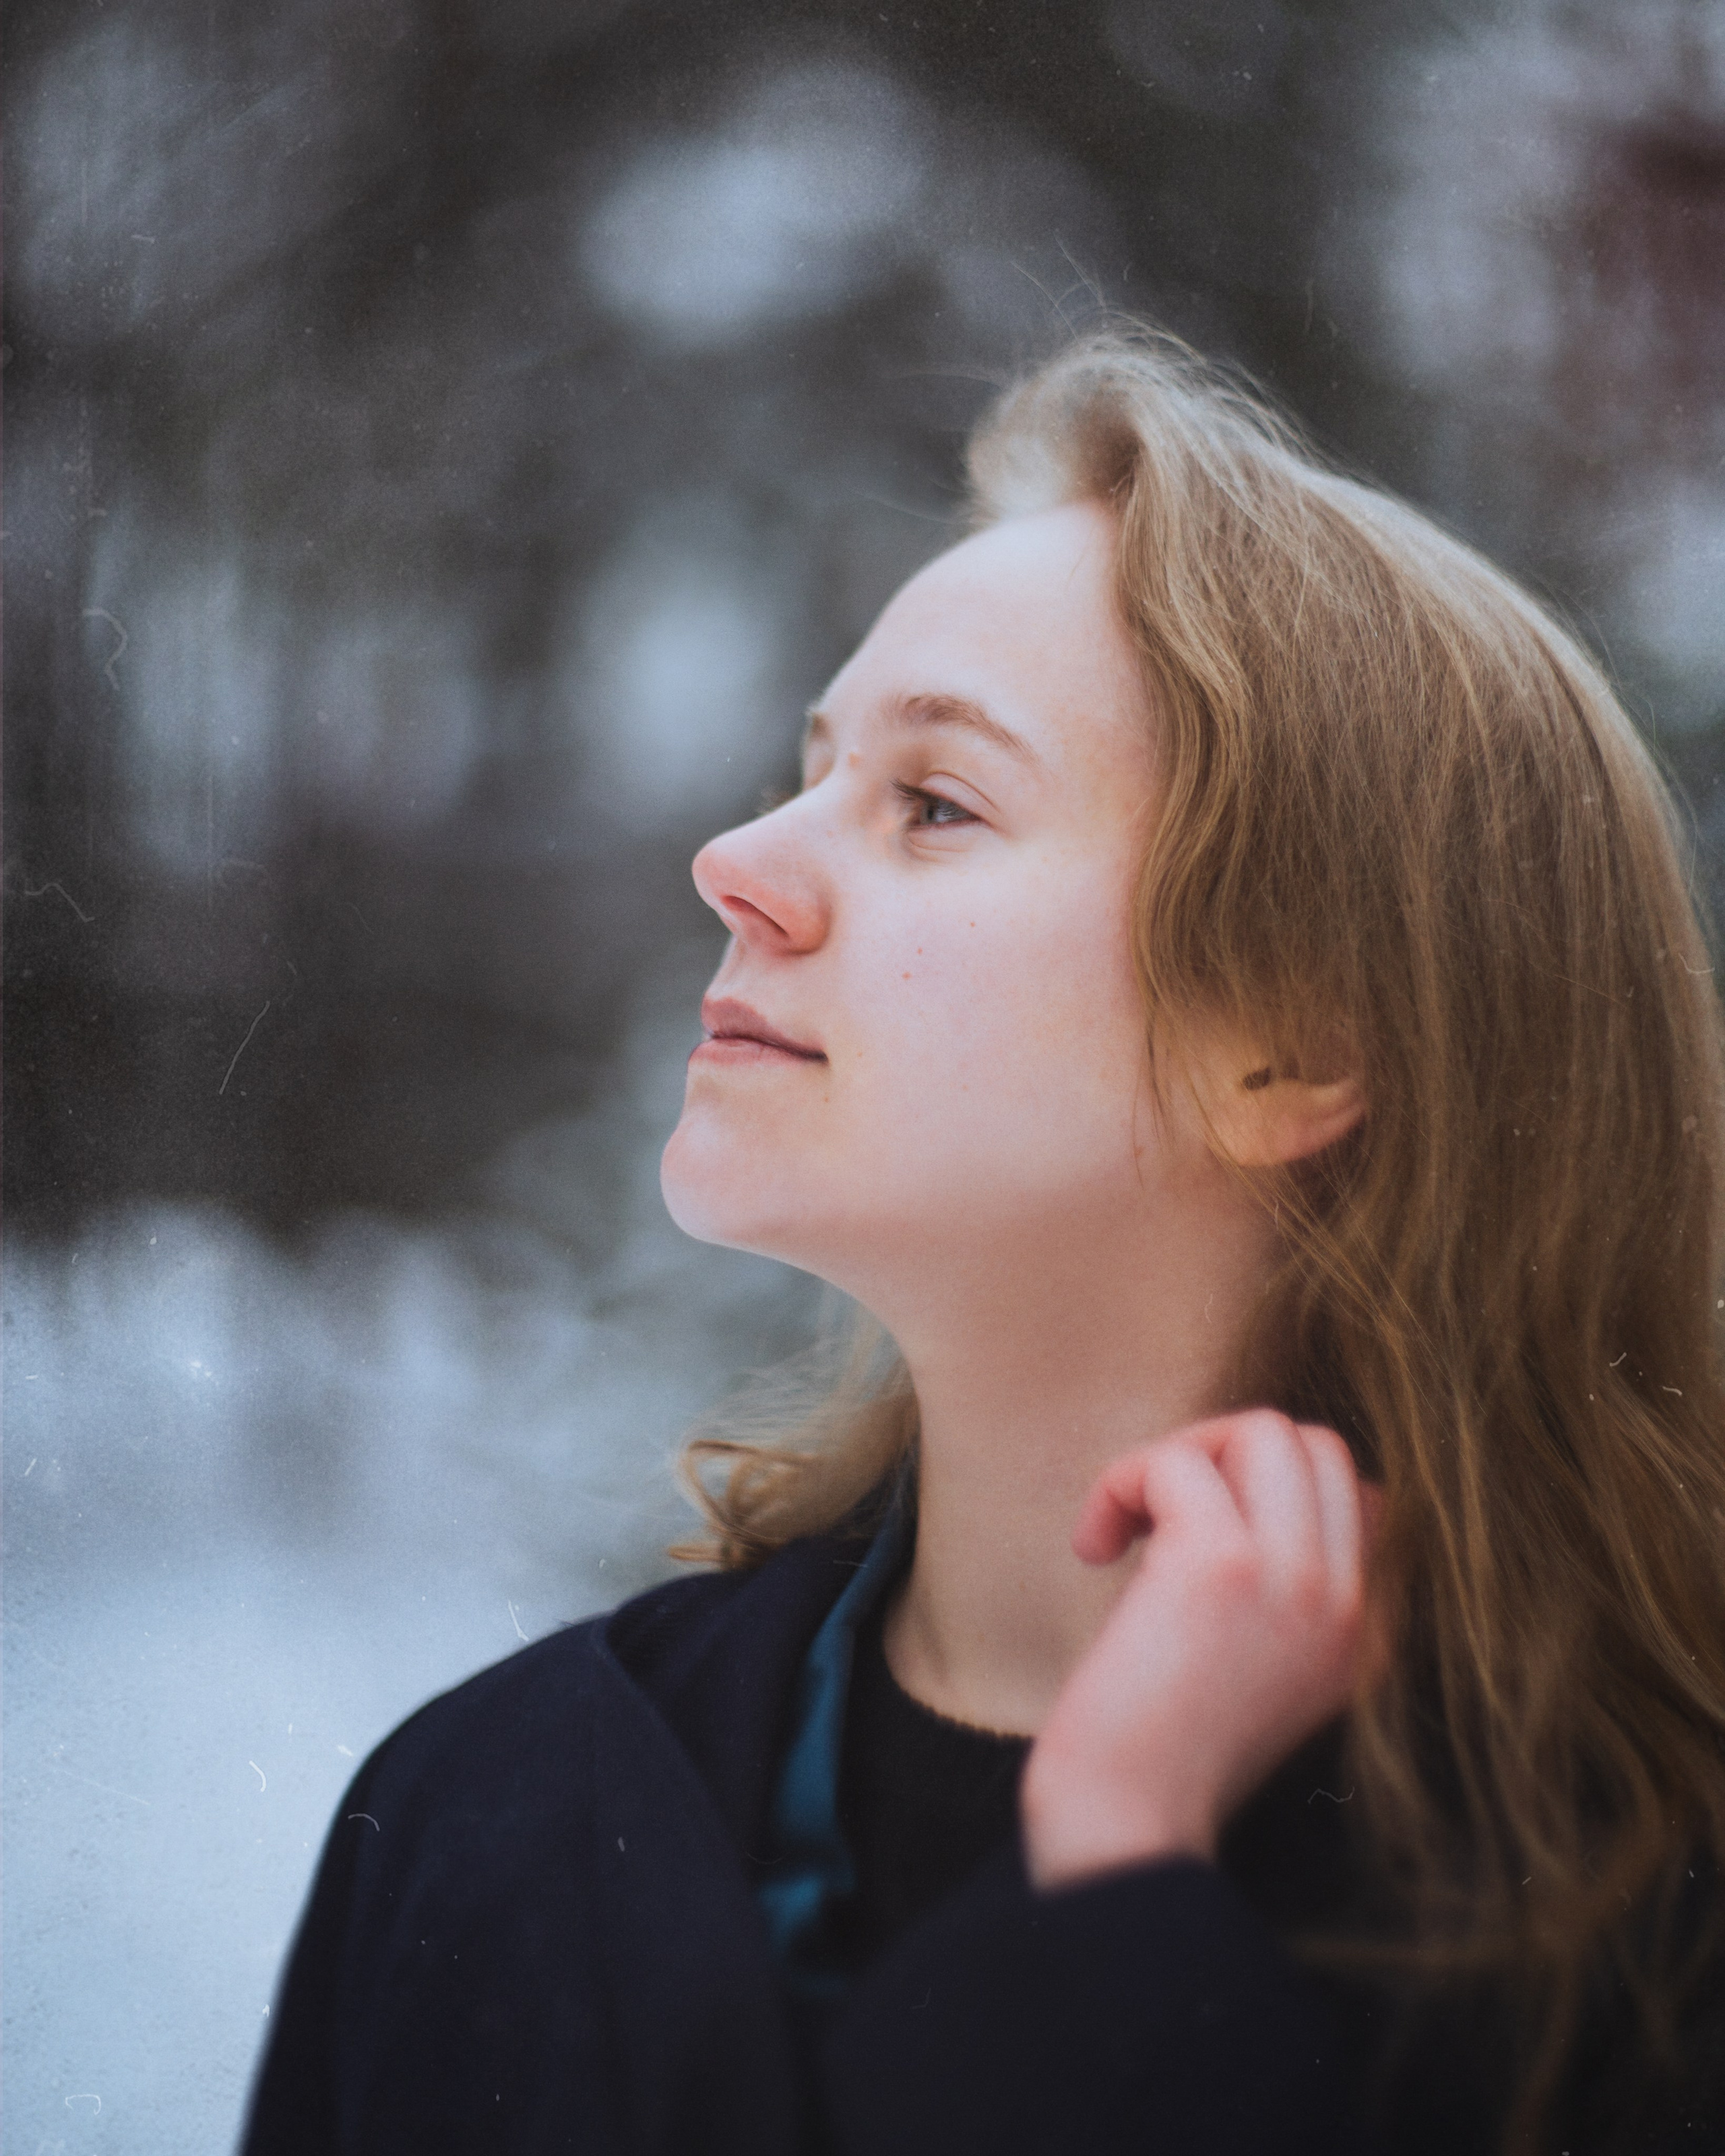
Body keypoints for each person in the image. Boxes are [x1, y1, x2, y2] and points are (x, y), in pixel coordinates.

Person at [240, 329, 1725, 2156]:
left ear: (1292, 1047)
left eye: (934, 804)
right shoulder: (484, 1811)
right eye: (811, 767)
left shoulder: (1639, 1953)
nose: (738, 858)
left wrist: (1114, 1884)